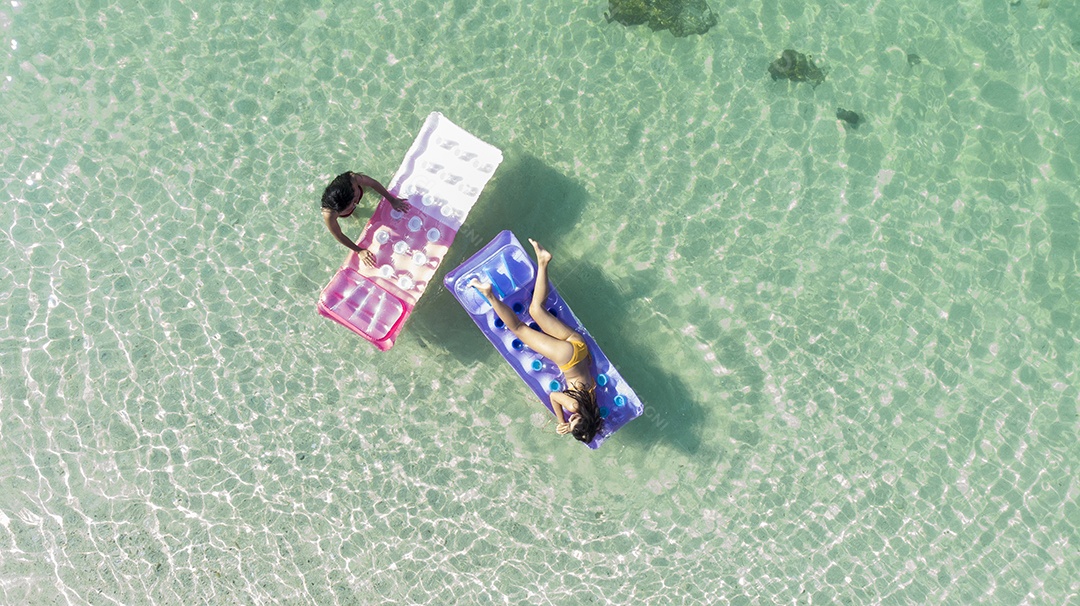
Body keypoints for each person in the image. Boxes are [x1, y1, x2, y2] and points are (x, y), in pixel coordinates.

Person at [470, 239, 603, 443]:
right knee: (518, 328)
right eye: (574, 420)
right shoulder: (574, 407)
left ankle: (543, 261)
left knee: (536, 309)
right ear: (581, 418)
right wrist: (561, 422)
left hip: (580, 347)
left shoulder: (592, 404)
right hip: (566, 357)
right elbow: (554, 396)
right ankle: (489, 294)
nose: (572, 418)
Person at [321, 172, 409, 266]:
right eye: (350, 207)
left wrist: (392, 200)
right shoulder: (330, 214)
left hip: (351, 188)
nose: (355, 204)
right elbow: (338, 235)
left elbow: (373, 184)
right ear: (338, 212)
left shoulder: (353, 179)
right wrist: (359, 250)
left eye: (355, 200)